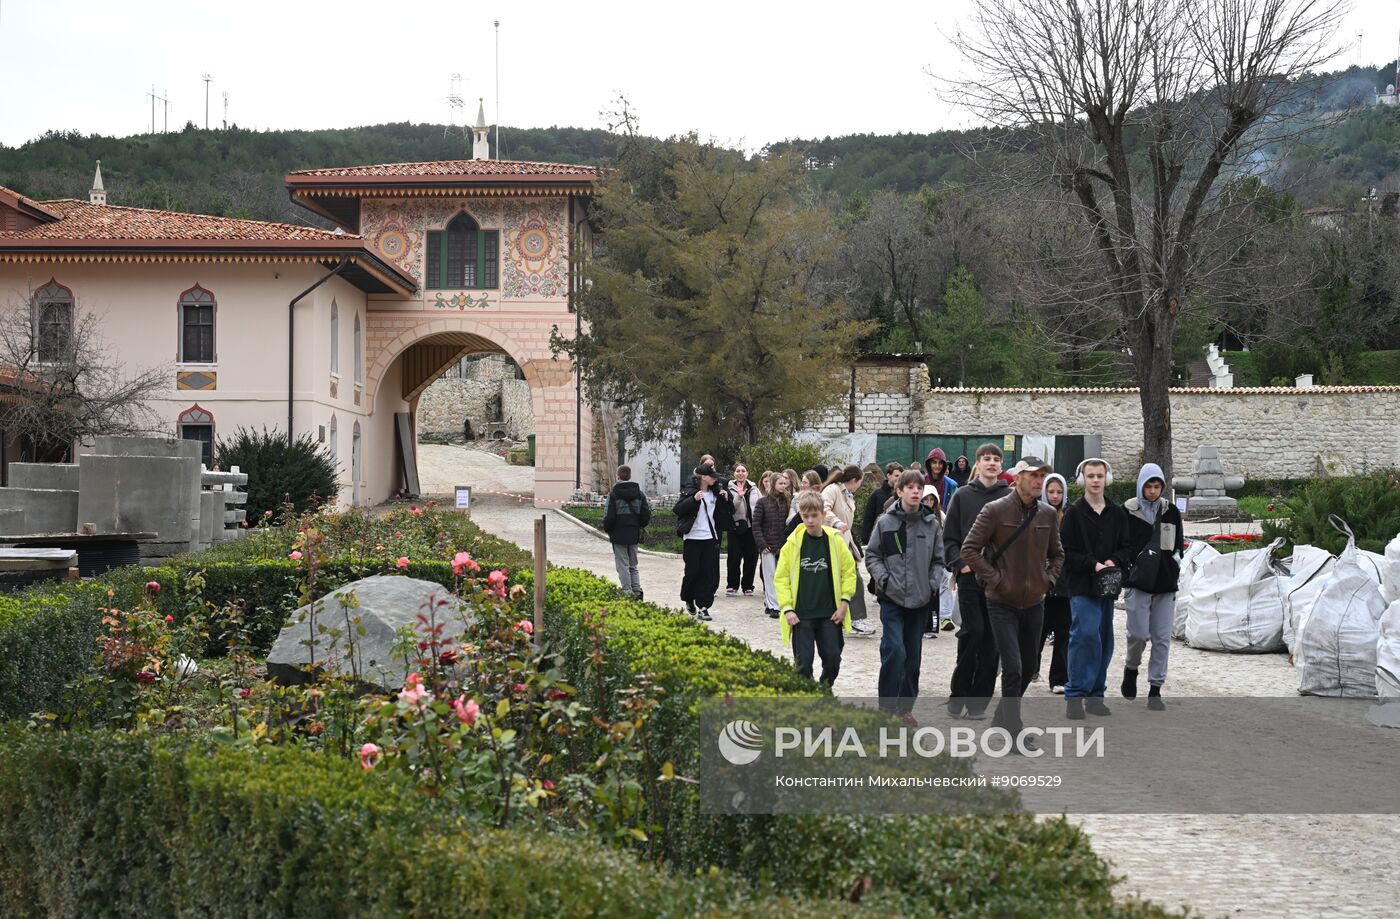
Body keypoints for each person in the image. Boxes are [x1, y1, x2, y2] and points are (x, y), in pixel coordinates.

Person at [960, 456, 1062, 748]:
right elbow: (970, 550)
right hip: (1001, 602)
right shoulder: (995, 509)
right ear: (1017, 477)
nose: (1039, 480)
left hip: (1034, 602)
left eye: (1042, 475)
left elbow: (1058, 554)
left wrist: (1048, 581)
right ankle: (1013, 734)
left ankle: (1001, 720)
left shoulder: (1046, 514)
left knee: (1029, 667)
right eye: (1033, 475)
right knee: (1013, 667)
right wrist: (997, 579)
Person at [865, 470, 943, 718]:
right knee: (895, 651)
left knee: (913, 658)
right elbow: (872, 555)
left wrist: (932, 584)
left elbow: (939, 561)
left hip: (920, 600)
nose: (915, 491)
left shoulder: (931, 525)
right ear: (899, 491)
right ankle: (887, 708)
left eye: (919, 487)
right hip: (892, 599)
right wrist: (884, 580)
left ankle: (905, 709)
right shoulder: (885, 522)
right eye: (909, 487)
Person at [1060, 459, 1134, 719]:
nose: (1095, 480)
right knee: (1085, 635)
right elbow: (1066, 552)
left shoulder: (1117, 513)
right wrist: (1093, 565)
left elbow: (1127, 546)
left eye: (1099, 475)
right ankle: (1075, 695)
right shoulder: (1073, 513)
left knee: (1104, 640)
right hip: (1082, 584)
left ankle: (1095, 695)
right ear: (1082, 480)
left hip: (1108, 586)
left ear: (1106, 478)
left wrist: (1115, 561)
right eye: (1090, 475)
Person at [942, 443, 1011, 720]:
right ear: (977, 464)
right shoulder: (962, 496)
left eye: (996, 459)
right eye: (986, 459)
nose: (991, 463)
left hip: (999, 582)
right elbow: (949, 539)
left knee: (993, 641)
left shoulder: (1010, 498)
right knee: (973, 634)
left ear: (1002, 466)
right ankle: (958, 696)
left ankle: (979, 703)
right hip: (970, 578)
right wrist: (962, 565)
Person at [1121, 463, 1184, 712]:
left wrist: (1175, 561)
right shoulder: (1127, 510)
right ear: (1141, 486)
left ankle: (1155, 688)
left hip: (1165, 582)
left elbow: (1178, 543)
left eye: (1157, 486)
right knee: (1137, 634)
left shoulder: (1170, 511)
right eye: (1149, 486)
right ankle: (1131, 668)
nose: (1153, 491)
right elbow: (1121, 543)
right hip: (1137, 582)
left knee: (1161, 638)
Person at [774, 491, 855, 686]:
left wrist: (844, 603)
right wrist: (787, 609)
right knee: (803, 665)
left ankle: (824, 687)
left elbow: (849, 572)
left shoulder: (835, 541)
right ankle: (809, 697)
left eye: (814, 515)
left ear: (823, 515)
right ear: (800, 515)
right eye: (805, 516)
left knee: (833, 659)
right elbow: (781, 578)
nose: (810, 520)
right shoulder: (791, 544)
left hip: (830, 613)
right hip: (801, 615)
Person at [673, 463, 734, 622]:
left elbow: (728, 512)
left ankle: (704, 607)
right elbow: (678, 509)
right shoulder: (690, 491)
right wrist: (693, 499)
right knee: (692, 572)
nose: (715, 479)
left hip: (710, 538)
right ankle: (688, 598)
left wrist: (726, 499)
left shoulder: (716, 492)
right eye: (712, 476)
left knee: (708, 573)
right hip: (692, 538)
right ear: (703, 477)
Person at [822, 465, 874, 637]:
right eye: (859, 482)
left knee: (852, 580)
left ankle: (851, 618)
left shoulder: (848, 495)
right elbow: (823, 507)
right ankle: (854, 619)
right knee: (852, 580)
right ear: (854, 480)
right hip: (831, 543)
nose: (859, 486)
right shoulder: (832, 490)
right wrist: (836, 522)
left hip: (845, 544)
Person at [1033, 472, 1072, 693]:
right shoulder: (1036, 513)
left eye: (1059, 492)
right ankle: (1032, 666)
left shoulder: (1071, 515)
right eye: (1051, 491)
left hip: (1065, 584)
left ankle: (1058, 677)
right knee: (1037, 630)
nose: (1055, 496)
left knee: (1063, 634)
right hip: (1041, 583)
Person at [601, 464, 651, 599]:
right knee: (633, 564)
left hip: (618, 535)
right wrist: (638, 525)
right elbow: (646, 516)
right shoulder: (640, 494)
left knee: (622, 564)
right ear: (630, 476)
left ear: (618, 476)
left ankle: (627, 592)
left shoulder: (613, 494)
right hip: (634, 534)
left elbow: (609, 516)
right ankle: (637, 591)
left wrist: (608, 530)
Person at [753, 471, 792, 620]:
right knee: (769, 575)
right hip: (767, 545)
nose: (783, 486)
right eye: (780, 483)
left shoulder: (788, 500)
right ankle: (773, 605)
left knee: (781, 576)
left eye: (784, 483)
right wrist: (762, 544)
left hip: (783, 544)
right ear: (773, 484)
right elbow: (756, 525)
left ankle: (773, 603)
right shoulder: (762, 502)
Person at [726, 464, 760, 597]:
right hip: (735, 527)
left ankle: (747, 586)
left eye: (743, 471)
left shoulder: (754, 489)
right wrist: (739, 496)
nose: (740, 473)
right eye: (738, 471)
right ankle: (732, 585)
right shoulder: (729, 488)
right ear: (734, 473)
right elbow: (730, 508)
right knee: (734, 557)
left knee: (751, 557)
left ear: (747, 473)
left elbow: (759, 505)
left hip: (751, 528)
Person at [918, 484, 944, 639]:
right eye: (925, 499)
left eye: (931, 500)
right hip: (920, 559)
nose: (928, 502)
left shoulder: (940, 516)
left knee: (933, 592)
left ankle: (931, 626)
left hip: (934, 559)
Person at [861, 462, 904, 548]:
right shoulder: (877, 495)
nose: (899, 479)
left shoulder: (903, 495)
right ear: (888, 476)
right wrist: (866, 539)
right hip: (879, 537)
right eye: (896, 476)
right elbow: (868, 518)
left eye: (901, 476)